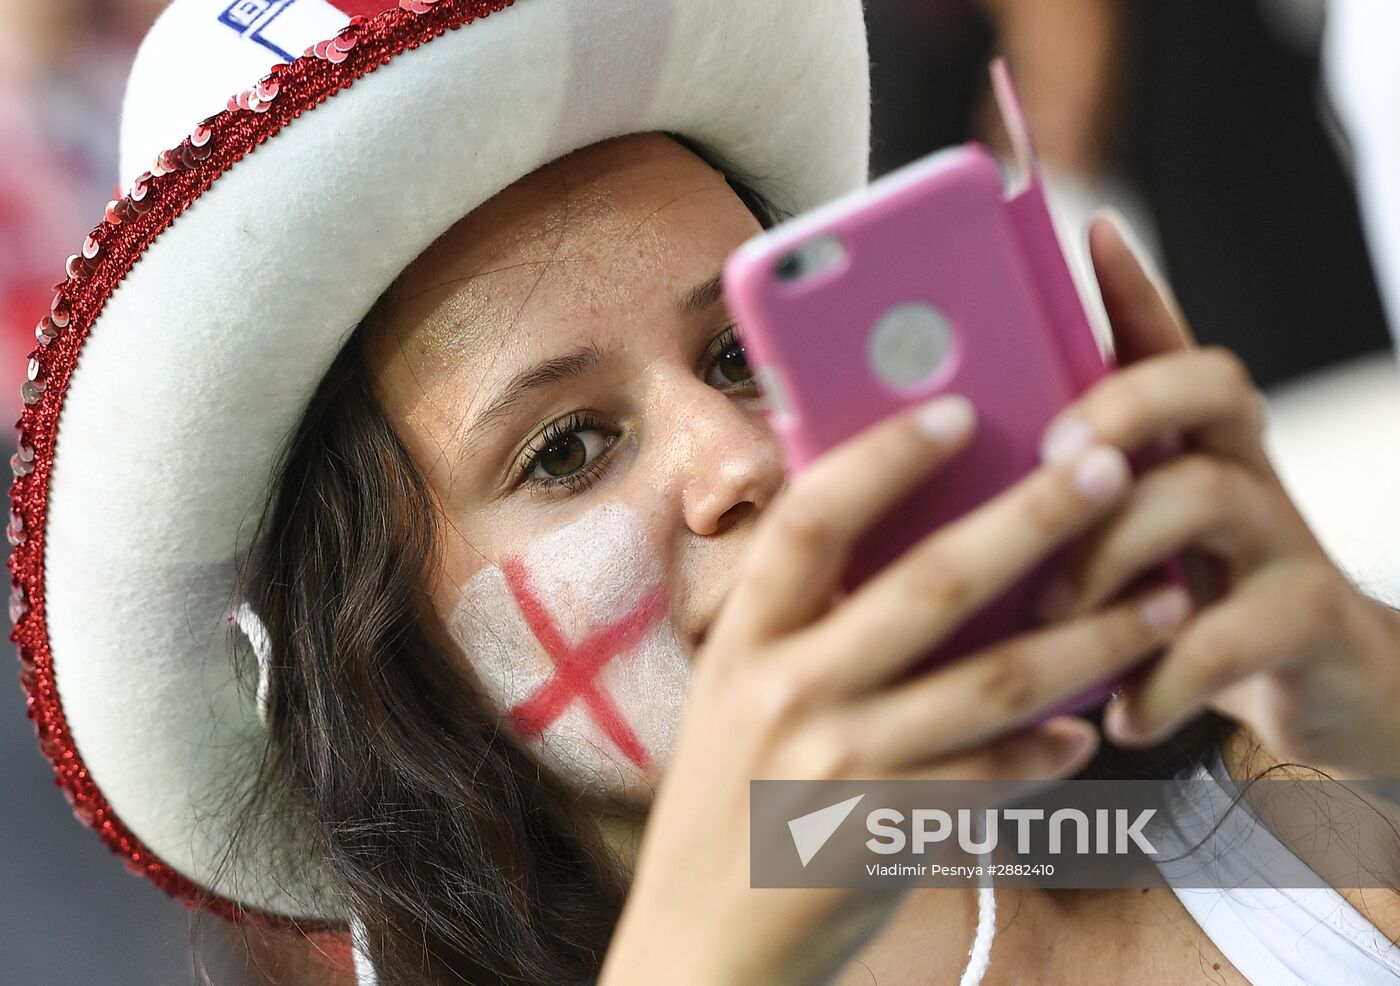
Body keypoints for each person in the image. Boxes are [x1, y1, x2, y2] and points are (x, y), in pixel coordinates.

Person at [11, 1, 1400, 984]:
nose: (746, 456)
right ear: (387, 653)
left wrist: (1383, 710)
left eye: (742, 349)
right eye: (566, 446)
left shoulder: (1256, 817)